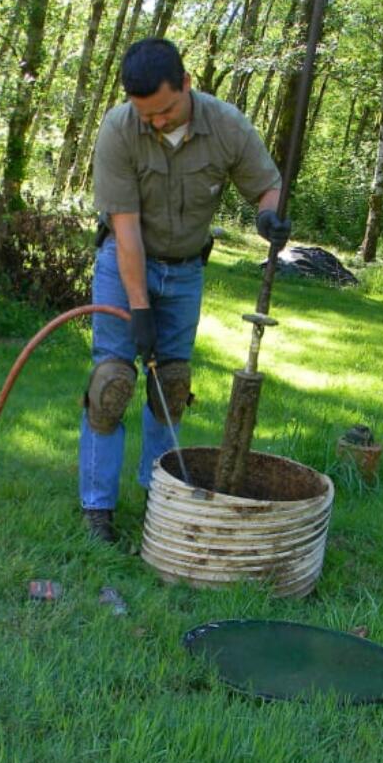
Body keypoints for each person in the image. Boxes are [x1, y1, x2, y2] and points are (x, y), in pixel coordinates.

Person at [78, 38, 291, 542]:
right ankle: (97, 512)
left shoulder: (227, 125)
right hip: (123, 262)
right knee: (110, 383)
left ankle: (160, 499)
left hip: (187, 270)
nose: (156, 122)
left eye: (166, 111)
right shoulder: (118, 129)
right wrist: (139, 307)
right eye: (145, 114)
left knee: (170, 387)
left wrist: (267, 214)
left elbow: (269, 184)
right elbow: (125, 231)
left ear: (188, 85)